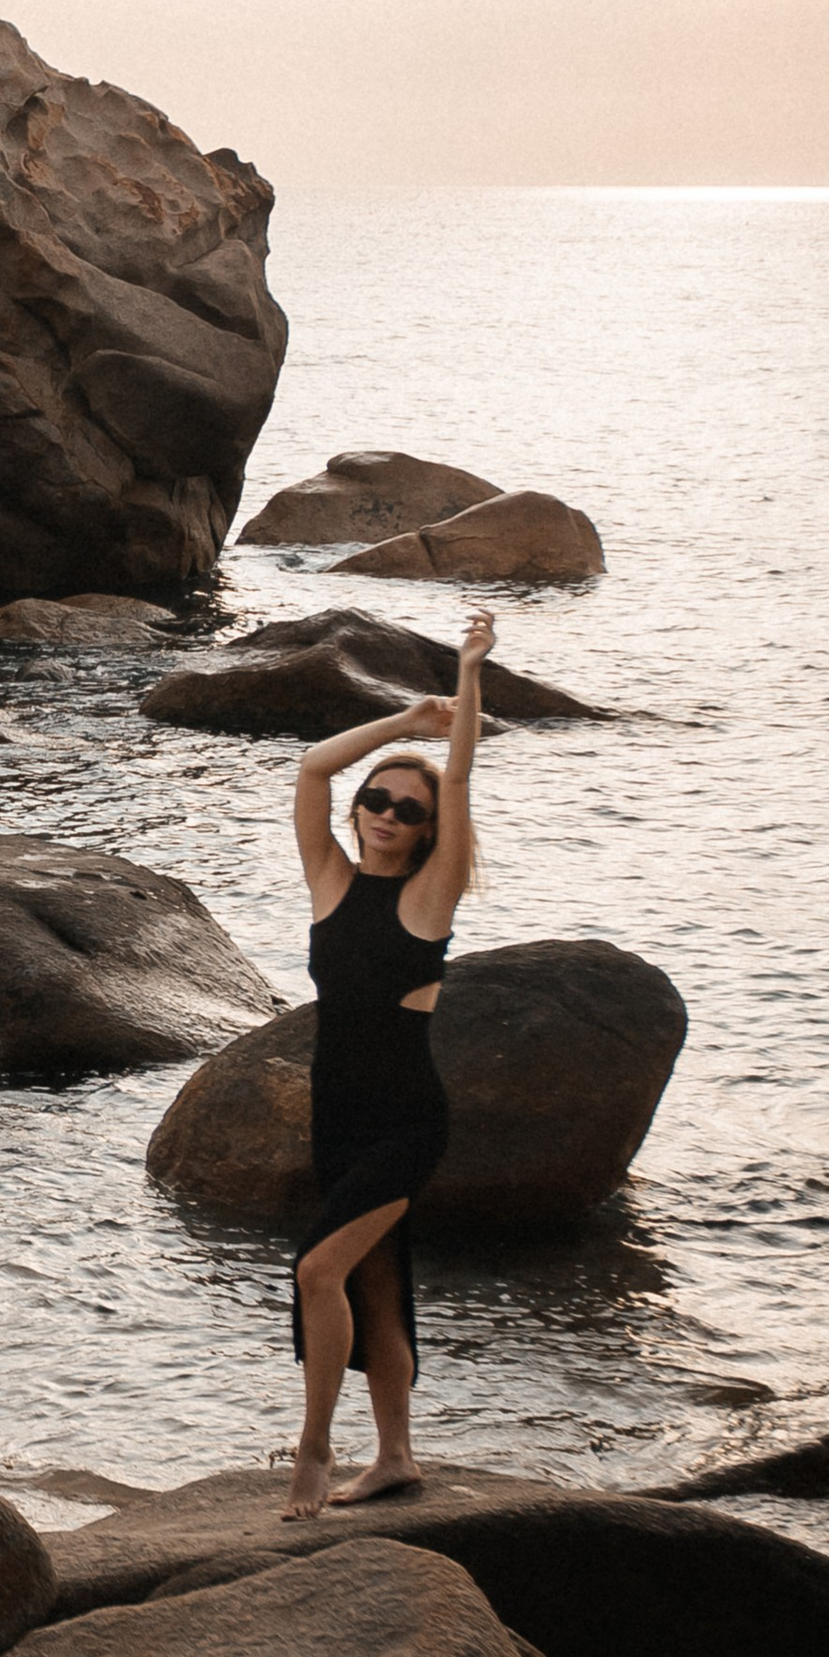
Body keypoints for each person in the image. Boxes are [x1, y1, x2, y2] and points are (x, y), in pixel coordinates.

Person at [279, 607, 494, 1520]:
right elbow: (311, 768)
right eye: (378, 800)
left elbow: (464, 774)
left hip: (406, 1119)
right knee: (374, 1283)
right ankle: (397, 1457)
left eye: (409, 810)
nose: (386, 816)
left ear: (428, 831)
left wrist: (469, 674)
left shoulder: (428, 900)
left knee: (317, 1273)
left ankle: (314, 1451)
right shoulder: (331, 882)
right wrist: (404, 721)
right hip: (337, 1113)